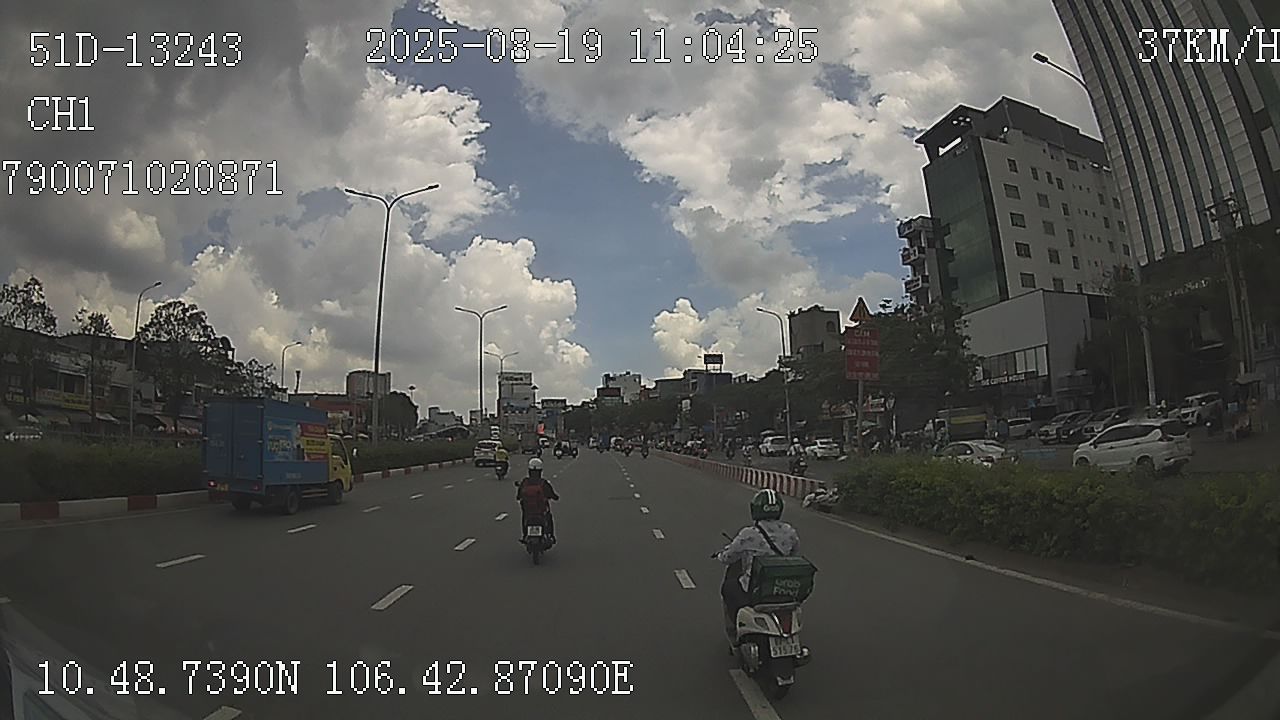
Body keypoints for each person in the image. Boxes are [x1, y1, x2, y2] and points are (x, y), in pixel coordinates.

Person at [715, 489, 801, 637]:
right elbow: (795, 554)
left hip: (756, 591)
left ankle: (734, 630)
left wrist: (720, 555)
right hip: (783, 588)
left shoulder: (748, 534)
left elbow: (728, 558)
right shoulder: (789, 532)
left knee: (728, 588)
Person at [515, 457, 559, 542]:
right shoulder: (543, 483)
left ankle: (525, 535)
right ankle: (551, 535)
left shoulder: (525, 482)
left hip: (528, 511)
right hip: (541, 511)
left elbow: (518, 496)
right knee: (548, 517)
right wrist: (555, 497)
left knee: (524, 517)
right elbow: (552, 494)